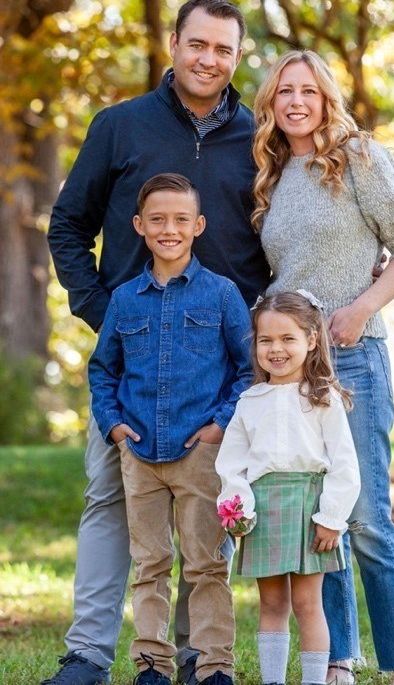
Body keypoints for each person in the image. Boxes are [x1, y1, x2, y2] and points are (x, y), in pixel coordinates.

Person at [45, 0, 269, 685]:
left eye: (223, 49)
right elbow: (67, 225)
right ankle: (87, 654)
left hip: (218, 366)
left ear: (236, 57)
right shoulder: (120, 126)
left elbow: (277, 236)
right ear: (174, 44)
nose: (208, 59)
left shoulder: (258, 138)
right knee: (111, 502)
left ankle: (197, 658)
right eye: (197, 44)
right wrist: (105, 313)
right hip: (134, 360)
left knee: (202, 515)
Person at [251, 50, 394, 685]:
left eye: (309, 91)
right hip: (294, 372)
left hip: (354, 357)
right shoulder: (272, 175)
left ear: (327, 99)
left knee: (367, 517)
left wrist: (360, 309)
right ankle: (339, 660)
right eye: (284, 93)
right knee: (320, 515)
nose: (296, 102)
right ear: (271, 104)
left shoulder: (358, 157)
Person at [88, 172, 252, 685]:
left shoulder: (222, 296)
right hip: (139, 454)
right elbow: (103, 368)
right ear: (139, 225)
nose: (169, 229)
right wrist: (113, 426)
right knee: (150, 563)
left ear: (198, 226)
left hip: (199, 452)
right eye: (157, 219)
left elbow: (247, 369)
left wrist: (219, 427)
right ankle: (152, 664)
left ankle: (212, 666)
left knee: (206, 563)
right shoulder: (124, 300)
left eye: (181, 219)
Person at [215, 291, 361, 685]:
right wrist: (238, 507)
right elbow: (232, 464)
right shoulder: (249, 401)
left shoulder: (323, 398)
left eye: (287, 339)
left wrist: (331, 517)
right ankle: (273, 681)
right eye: (266, 340)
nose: (276, 349)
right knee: (273, 601)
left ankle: (314, 679)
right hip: (264, 510)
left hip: (310, 508)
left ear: (311, 340)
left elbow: (345, 464)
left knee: (306, 602)